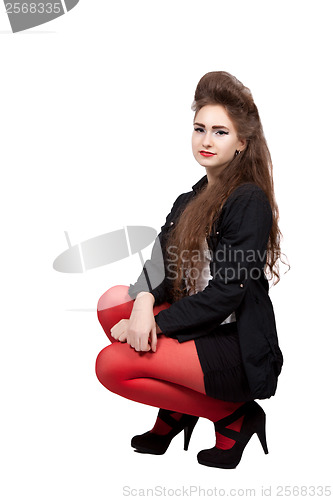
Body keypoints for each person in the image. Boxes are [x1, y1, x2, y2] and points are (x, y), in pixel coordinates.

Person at [95, 71, 286, 469]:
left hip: (233, 341)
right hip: (197, 326)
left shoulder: (248, 200)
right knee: (113, 303)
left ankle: (232, 415)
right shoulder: (190, 199)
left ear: (241, 143)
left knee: (111, 365)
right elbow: (156, 265)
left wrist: (155, 326)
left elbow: (227, 293)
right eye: (200, 129)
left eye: (220, 131)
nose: (206, 140)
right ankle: (176, 408)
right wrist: (145, 302)